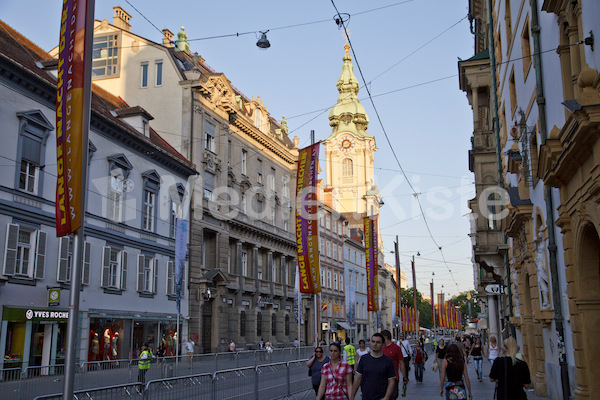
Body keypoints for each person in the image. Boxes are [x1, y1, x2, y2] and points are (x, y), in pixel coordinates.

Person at [351, 333, 396, 400]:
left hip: (381, 397)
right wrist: (352, 397)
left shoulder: (388, 361)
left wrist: (386, 397)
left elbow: (391, 381)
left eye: (378, 342)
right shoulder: (364, 359)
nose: (375, 344)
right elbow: (357, 379)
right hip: (366, 397)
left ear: (383, 345)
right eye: (373, 341)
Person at [381, 330, 407, 399]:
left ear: (386, 337)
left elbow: (401, 363)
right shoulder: (381, 348)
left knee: (392, 397)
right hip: (382, 378)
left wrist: (404, 377)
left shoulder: (396, 348)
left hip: (393, 378)